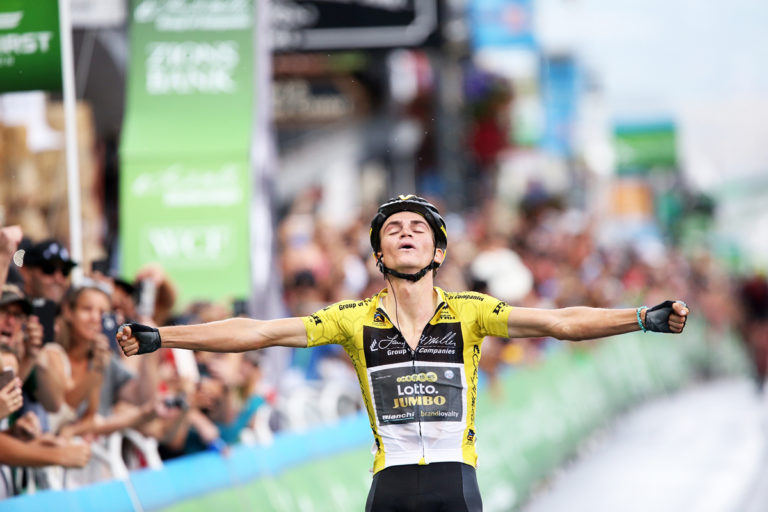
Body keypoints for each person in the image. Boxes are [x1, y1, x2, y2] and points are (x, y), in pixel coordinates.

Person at [118, 195, 689, 512]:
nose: (407, 233)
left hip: (455, 483)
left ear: (438, 252)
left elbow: (561, 321)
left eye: (419, 228)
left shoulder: (470, 310)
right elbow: (259, 332)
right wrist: (164, 336)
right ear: (379, 255)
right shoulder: (351, 318)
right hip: (389, 485)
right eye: (394, 229)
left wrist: (641, 317)